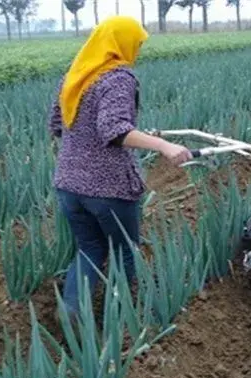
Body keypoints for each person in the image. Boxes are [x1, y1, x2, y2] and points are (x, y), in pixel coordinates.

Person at [48, 16, 193, 318]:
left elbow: (58, 126)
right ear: (121, 43)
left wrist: (138, 136)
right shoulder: (117, 78)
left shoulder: (75, 76)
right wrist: (165, 146)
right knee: (126, 251)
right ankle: (122, 322)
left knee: (89, 248)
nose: (137, 49)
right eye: (136, 43)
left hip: (68, 186)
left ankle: (71, 316)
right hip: (108, 188)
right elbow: (114, 130)